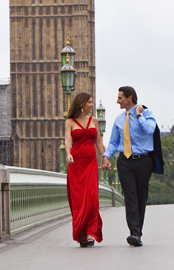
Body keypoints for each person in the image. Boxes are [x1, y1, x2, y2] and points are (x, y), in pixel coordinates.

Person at [101, 86, 157, 247]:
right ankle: (134, 232)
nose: (117, 101)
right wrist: (106, 157)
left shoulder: (146, 114)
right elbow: (113, 142)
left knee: (140, 196)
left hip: (143, 161)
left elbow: (149, 130)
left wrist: (139, 115)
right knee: (130, 196)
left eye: (120, 98)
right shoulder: (119, 119)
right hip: (124, 161)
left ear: (129, 98)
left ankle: (138, 232)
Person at [64, 92, 104, 247]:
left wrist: (104, 158)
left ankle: (90, 233)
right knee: (79, 199)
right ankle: (81, 233)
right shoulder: (70, 122)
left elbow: (99, 142)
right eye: (89, 102)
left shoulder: (94, 120)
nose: (92, 105)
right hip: (76, 163)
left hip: (91, 162)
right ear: (81, 104)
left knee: (92, 197)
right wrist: (68, 154)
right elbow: (68, 140)